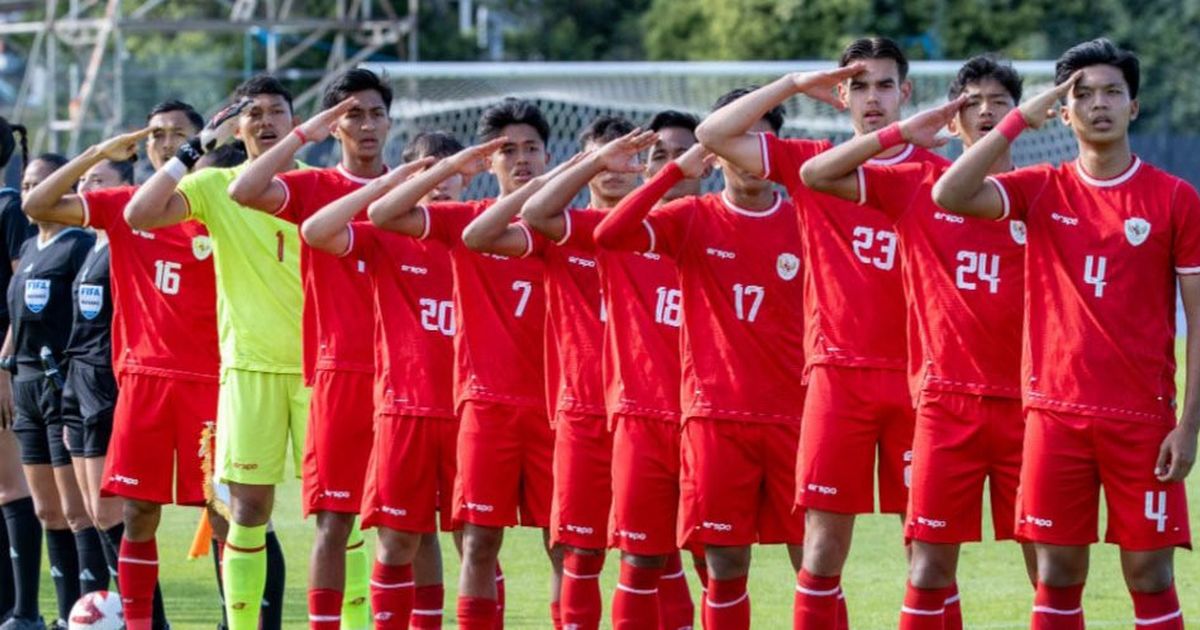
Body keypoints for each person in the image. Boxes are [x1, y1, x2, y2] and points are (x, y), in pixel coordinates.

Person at [932, 38, 1195, 630]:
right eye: (1082, 93)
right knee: (1056, 577)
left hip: (1144, 422)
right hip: (1054, 417)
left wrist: (1189, 425)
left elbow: (1199, 324)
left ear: (1134, 107)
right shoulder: (1040, 186)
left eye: (1112, 92)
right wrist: (1023, 116)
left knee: (1151, 578)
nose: (1098, 104)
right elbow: (949, 193)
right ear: (1062, 110)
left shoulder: (1175, 198)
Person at [695, 38, 949, 627]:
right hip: (838, 380)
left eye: (885, 85)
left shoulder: (942, 179)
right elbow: (713, 136)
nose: (873, 97)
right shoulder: (811, 162)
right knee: (822, 549)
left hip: (921, 382)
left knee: (929, 551)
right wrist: (789, 84)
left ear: (905, 93)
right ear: (841, 96)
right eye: (859, 86)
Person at [797, 54, 1038, 628]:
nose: (986, 113)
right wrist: (900, 131)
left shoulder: (1050, 194)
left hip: (1033, 407)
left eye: (1000, 102)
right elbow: (818, 176)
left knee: (1052, 569)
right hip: (943, 403)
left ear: (1022, 115)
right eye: (972, 104)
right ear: (952, 121)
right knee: (923, 564)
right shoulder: (916, 186)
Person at [593, 89, 807, 630]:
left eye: (765, 144)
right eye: (740, 143)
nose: (753, 156)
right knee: (724, 564)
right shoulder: (691, 218)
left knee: (816, 561)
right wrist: (670, 174)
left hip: (798, 420)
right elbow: (610, 233)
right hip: (716, 420)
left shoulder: (808, 220)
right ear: (718, 153)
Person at [123, 77, 311, 630]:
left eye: (278, 111)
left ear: (294, 121)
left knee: (338, 515)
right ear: (236, 126)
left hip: (320, 372)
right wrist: (193, 146)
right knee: (245, 513)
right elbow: (140, 213)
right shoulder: (214, 186)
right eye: (253, 113)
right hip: (246, 372)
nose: (265, 120)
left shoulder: (321, 186)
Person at [366, 98, 560, 630]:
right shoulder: (465, 221)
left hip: (557, 414)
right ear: (489, 162)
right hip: (485, 409)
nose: (521, 159)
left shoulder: (573, 229)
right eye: (508, 151)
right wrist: (451, 166)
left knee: (570, 546)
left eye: (531, 148)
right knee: (477, 540)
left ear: (549, 155)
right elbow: (383, 214)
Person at [227, 68, 402, 630]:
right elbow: (244, 191)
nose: (367, 125)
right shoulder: (315, 188)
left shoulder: (414, 188)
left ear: (391, 120)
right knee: (334, 517)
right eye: (353, 115)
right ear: (336, 126)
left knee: (412, 524)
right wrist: (305, 135)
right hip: (338, 373)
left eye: (376, 113)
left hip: (406, 378)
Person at [464, 116, 652, 630]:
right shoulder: (558, 232)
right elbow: (480, 235)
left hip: (647, 416)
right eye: (601, 156)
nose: (615, 166)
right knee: (564, 550)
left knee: (651, 553)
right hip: (570, 414)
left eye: (625, 155)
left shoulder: (665, 232)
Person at [517, 116, 698, 629]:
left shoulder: (683, 230)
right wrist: (591, 162)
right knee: (581, 550)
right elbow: (517, 220)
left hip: (674, 415)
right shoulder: (584, 230)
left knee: (668, 553)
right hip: (588, 413)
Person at [6, 153, 96, 630]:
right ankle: (64, 616)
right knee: (47, 512)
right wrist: (6, 362)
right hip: (24, 387)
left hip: (62, 387)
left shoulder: (79, 243)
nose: (30, 192)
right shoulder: (29, 244)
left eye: (40, 183)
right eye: (25, 184)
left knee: (79, 513)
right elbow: (20, 317)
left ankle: (94, 612)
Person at [61, 157, 135, 598]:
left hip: (107, 382)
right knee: (91, 512)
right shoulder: (90, 248)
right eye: (85, 180)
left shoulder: (125, 246)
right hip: (78, 383)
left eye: (100, 181)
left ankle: (147, 614)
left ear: (126, 189)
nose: (88, 187)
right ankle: (122, 607)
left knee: (110, 513)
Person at [0, 116, 39, 630]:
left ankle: (18, 608)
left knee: (11, 488)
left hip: (3, 363)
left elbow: (20, 297)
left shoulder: (10, 208)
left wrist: (6, 363)